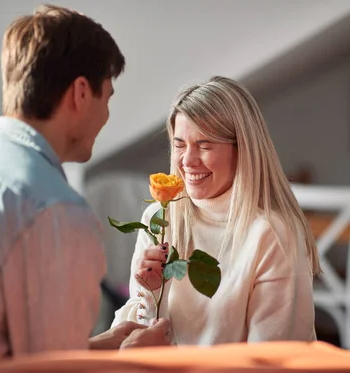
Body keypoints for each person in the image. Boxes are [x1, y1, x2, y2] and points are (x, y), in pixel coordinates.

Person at [0, 4, 170, 368]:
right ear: (81, 93)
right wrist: (129, 363)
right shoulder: (53, 210)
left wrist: (103, 345)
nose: (107, 116)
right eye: (107, 97)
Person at [112, 76, 320, 344]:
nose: (187, 160)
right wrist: (148, 294)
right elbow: (136, 337)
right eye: (179, 145)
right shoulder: (159, 219)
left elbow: (271, 362)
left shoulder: (271, 235)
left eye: (205, 145)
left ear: (242, 149)